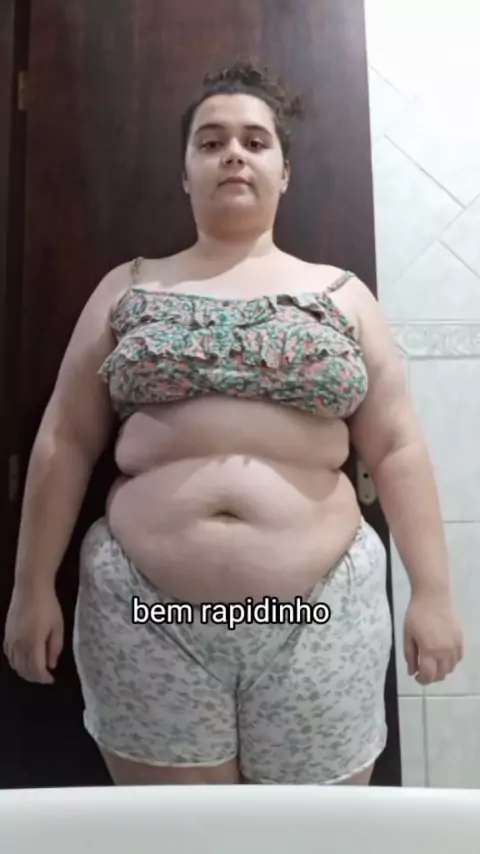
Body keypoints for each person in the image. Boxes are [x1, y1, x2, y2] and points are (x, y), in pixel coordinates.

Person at [4, 58, 463, 786]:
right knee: (180, 835)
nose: (233, 155)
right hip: (146, 615)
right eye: (211, 141)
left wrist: (432, 594)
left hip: (320, 615)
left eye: (255, 141)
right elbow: (65, 439)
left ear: (285, 170)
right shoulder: (127, 287)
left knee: (313, 837)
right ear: (185, 173)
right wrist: (32, 587)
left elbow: (398, 448)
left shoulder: (343, 295)